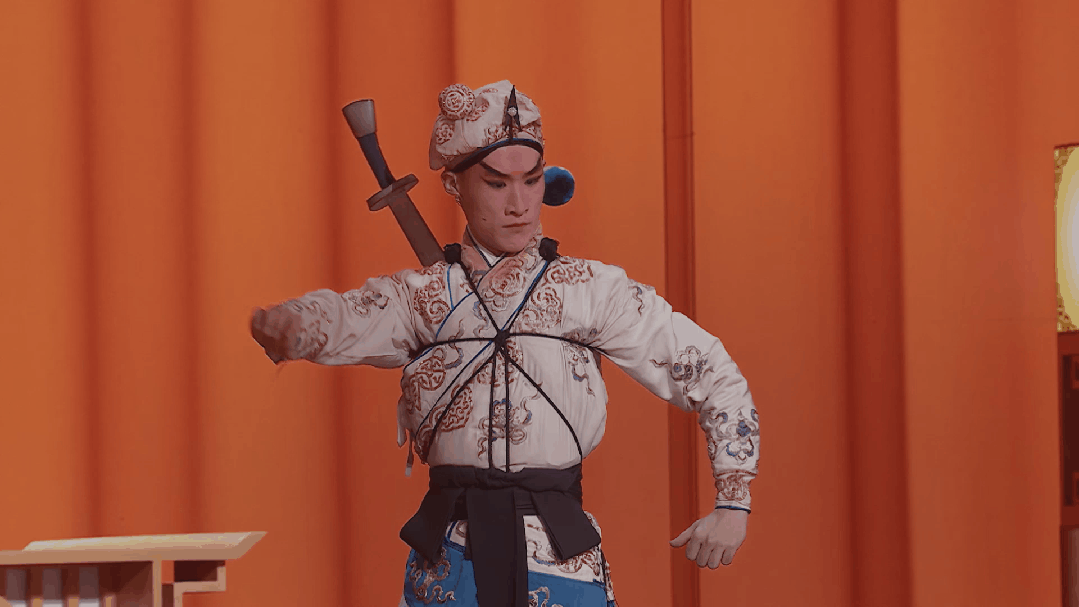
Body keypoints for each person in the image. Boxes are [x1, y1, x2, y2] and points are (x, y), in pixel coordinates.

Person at [250, 80, 759, 607]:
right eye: (496, 184)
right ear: (454, 185)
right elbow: (343, 316)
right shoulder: (422, 296)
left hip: (559, 558)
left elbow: (712, 372)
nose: (519, 205)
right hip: (450, 563)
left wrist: (733, 502)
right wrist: (292, 324)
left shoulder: (589, 290)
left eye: (531, 181)